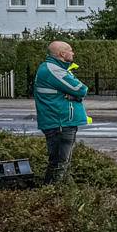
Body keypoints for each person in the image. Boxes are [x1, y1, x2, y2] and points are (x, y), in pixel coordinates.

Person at [33, 40, 89, 184]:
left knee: (61, 164)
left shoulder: (56, 68)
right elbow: (81, 89)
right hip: (59, 123)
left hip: (62, 122)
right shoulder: (54, 70)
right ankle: (51, 196)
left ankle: (57, 196)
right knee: (59, 165)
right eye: (70, 50)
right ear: (62, 54)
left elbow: (75, 90)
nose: (73, 53)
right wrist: (76, 95)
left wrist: (74, 95)